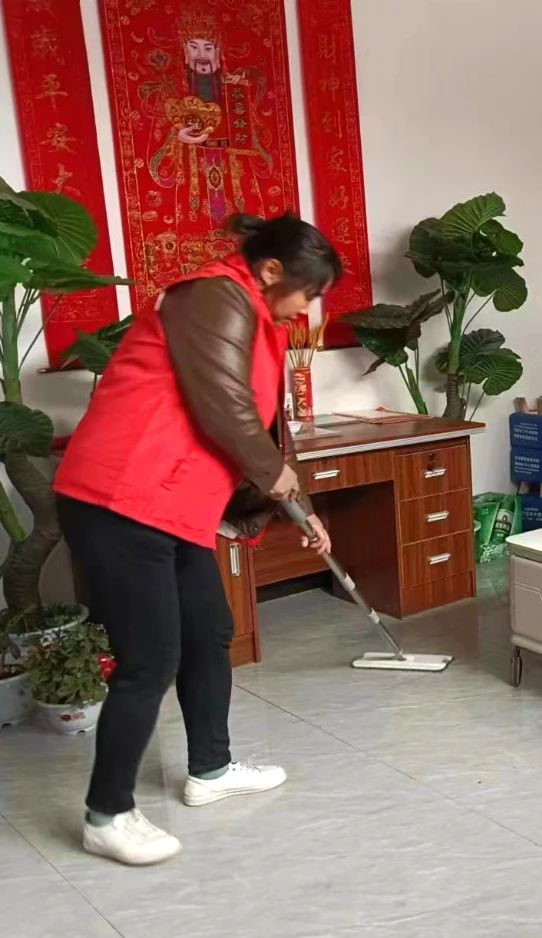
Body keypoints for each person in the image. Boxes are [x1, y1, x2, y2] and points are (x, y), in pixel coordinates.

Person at [54, 214, 342, 865]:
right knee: (150, 659)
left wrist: (301, 506)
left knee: (209, 630)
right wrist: (276, 477)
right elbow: (224, 405)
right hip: (119, 497)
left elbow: (264, 428)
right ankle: (107, 814)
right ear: (272, 270)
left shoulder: (258, 319)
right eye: (309, 291)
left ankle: (209, 769)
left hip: (170, 505)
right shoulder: (214, 295)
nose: (308, 306)